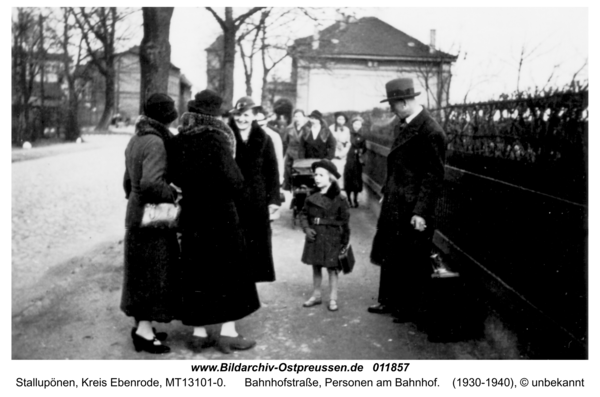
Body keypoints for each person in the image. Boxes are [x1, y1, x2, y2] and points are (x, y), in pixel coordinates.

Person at [172, 90, 260, 354]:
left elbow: (174, 174)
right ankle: (227, 333)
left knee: (196, 268)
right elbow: (233, 178)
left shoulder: (182, 138)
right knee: (229, 269)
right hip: (220, 214)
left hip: (192, 213)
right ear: (215, 113)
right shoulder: (217, 138)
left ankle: (198, 334)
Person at [368, 78, 446, 324]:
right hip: (395, 200)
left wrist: (421, 212)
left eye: (393, 104)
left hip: (413, 208)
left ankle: (407, 308)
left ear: (404, 102)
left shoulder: (430, 131)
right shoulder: (404, 125)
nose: (392, 109)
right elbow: (397, 164)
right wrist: (386, 191)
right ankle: (389, 300)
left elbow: (433, 176)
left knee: (411, 259)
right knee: (391, 252)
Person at [121, 93, 181, 354]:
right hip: (153, 216)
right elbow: (150, 184)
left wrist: (135, 199)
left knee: (140, 272)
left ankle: (142, 327)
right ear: (166, 116)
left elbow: (128, 182)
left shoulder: (137, 138)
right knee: (152, 274)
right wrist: (174, 194)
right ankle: (145, 334)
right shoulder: (157, 142)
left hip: (136, 213)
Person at [228, 97, 281, 283]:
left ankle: (252, 285)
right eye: (238, 115)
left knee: (256, 243)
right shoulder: (226, 137)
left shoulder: (264, 139)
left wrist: (274, 200)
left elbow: (272, 171)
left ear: (254, 116)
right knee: (233, 243)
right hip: (232, 200)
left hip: (257, 200)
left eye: (246, 115)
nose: (241, 119)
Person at [299, 159, 350, 312]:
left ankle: (333, 298)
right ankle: (316, 295)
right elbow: (303, 215)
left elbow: (345, 222)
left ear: (330, 178)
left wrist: (344, 243)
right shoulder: (310, 198)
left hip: (332, 237)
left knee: (332, 268)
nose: (316, 178)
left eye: (321, 175)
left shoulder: (340, 198)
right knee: (316, 266)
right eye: (315, 175)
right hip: (315, 236)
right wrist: (306, 228)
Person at [282, 109, 309, 191]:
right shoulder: (289, 128)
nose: (297, 118)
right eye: (296, 116)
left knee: (300, 176)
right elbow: (285, 142)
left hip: (301, 156)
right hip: (290, 154)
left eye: (300, 116)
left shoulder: (307, 129)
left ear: (304, 117)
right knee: (288, 175)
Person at [344, 115, 367, 208]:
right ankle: (348, 199)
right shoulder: (347, 134)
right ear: (352, 124)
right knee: (348, 178)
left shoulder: (362, 136)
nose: (357, 126)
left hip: (357, 160)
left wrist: (360, 151)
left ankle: (355, 198)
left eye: (359, 124)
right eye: (355, 123)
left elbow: (364, 148)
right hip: (348, 158)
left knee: (356, 179)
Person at [329, 112, 351, 189]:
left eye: (343, 119)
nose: (341, 121)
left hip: (342, 154)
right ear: (336, 119)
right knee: (332, 173)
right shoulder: (331, 128)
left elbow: (348, 143)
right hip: (333, 155)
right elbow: (329, 142)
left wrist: (343, 152)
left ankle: (339, 191)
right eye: (339, 119)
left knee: (340, 173)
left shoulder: (347, 130)